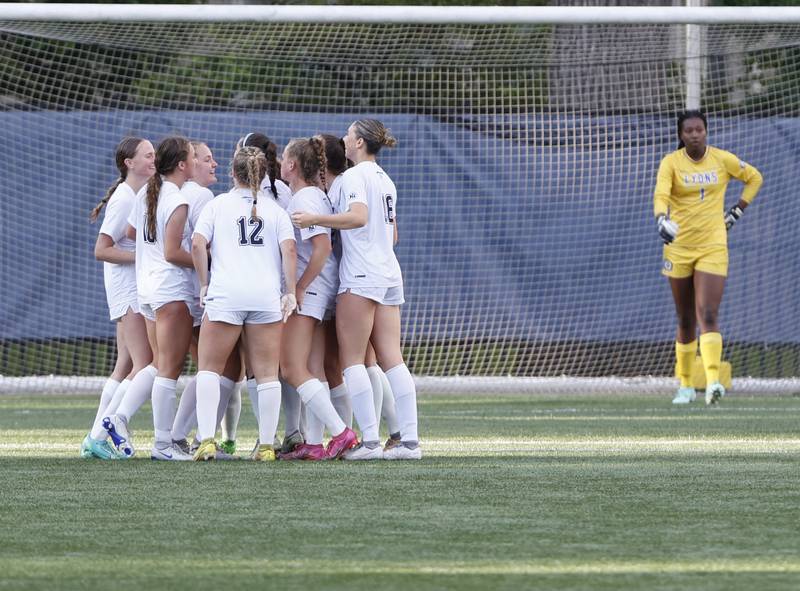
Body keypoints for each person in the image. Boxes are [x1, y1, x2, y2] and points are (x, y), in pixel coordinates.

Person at [292, 119, 421, 460]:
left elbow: (358, 217)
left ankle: (369, 443)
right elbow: (391, 234)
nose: (345, 139)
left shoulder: (353, 177)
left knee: (352, 362)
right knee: (393, 360)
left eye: (349, 135)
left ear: (360, 142)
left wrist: (314, 220)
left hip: (362, 277)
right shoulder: (385, 179)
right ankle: (410, 443)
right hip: (389, 274)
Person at [191, 146, 298, 461]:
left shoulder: (218, 204)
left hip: (226, 295)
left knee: (209, 369)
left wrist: (204, 283)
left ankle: (207, 439)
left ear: (232, 173)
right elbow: (289, 251)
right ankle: (266, 446)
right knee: (266, 373)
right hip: (265, 297)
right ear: (264, 174)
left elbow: (198, 243)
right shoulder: (277, 210)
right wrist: (289, 291)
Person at [654, 110, 763, 406]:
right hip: (678, 247)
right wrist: (661, 218)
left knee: (709, 313)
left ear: (706, 132)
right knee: (685, 318)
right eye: (688, 130)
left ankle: (714, 382)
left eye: (699, 129)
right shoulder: (670, 163)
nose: (694, 135)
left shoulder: (721, 159)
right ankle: (686, 386)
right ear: (680, 135)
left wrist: (737, 211)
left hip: (713, 245)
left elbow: (754, 178)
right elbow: (661, 195)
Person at [104, 136, 199, 460]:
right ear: (183, 165)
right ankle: (163, 444)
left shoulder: (147, 191)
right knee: (169, 369)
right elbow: (173, 252)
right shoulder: (176, 198)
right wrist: (207, 260)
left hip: (146, 289)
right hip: (170, 291)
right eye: (192, 157)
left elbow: (132, 234)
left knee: (159, 364)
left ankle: (118, 417)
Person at [277, 136, 359, 461]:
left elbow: (322, 247)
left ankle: (341, 432)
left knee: (291, 368)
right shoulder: (312, 195)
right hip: (321, 287)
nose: (280, 162)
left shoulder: (305, 198)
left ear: (293, 165)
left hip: (311, 289)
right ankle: (313, 442)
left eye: (284, 158)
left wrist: (298, 287)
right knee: (313, 367)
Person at [81, 137, 155, 459]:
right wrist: (145, 255)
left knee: (124, 364)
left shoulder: (135, 194)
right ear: (129, 163)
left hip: (128, 288)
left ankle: (93, 439)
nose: (153, 160)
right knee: (145, 364)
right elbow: (102, 249)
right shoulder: (125, 198)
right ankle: (102, 432)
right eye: (147, 155)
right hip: (128, 291)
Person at [170, 141, 244, 456]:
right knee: (219, 368)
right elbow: (204, 245)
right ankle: (189, 437)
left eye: (215, 160)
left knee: (214, 367)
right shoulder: (200, 196)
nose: (214, 165)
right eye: (206, 159)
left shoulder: (174, 194)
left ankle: (189, 437)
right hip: (198, 295)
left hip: (178, 292)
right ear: (189, 163)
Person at [236, 132, 302, 454]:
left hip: (255, 287)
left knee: (258, 367)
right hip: (280, 285)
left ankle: (269, 438)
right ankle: (292, 432)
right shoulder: (285, 193)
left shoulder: (238, 197)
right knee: (283, 365)